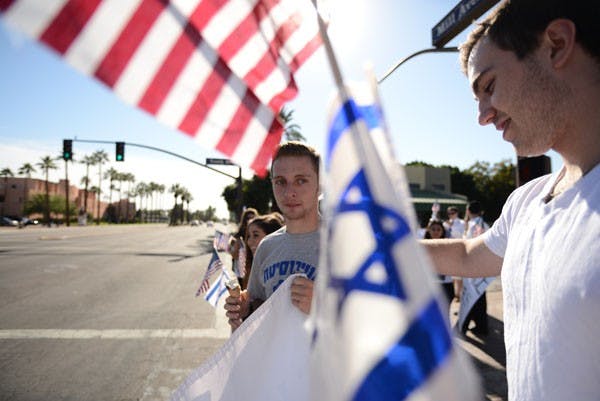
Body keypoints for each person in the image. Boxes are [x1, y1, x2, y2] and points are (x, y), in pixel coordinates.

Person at [424, 1, 600, 399]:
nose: (483, 115)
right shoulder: (527, 200)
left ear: (556, 44)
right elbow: (470, 256)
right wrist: (381, 245)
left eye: (488, 86)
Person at [225, 142, 321, 331]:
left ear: (321, 185)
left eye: (301, 180)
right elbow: (256, 302)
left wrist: (325, 307)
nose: (289, 192)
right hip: (274, 360)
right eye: (280, 181)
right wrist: (244, 307)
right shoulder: (267, 246)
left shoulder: (346, 243)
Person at [459, 200, 490, 335]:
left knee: (469, 295)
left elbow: (468, 246)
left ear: (468, 211)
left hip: (471, 266)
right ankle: (481, 326)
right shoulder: (485, 224)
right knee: (480, 296)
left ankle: (463, 325)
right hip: (482, 265)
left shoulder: (472, 225)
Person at [241, 212, 285, 289]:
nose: (250, 242)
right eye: (248, 236)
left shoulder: (283, 268)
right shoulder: (250, 268)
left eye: (256, 235)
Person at [423, 220, 454, 316]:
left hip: (446, 286)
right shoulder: (422, 245)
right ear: (428, 230)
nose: (436, 232)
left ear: (443, 231)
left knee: (444, 315)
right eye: (433, 229)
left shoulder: (449, 245)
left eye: (438, 229)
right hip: (429, 285)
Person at [229, 207, 258, 285]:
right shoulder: (238, 235)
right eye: (248, 218)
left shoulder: (259, 233)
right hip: (242, 268)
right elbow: (233, 254)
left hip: (255, 267)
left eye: (254, 218)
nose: (250, 220)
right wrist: (236, 248)